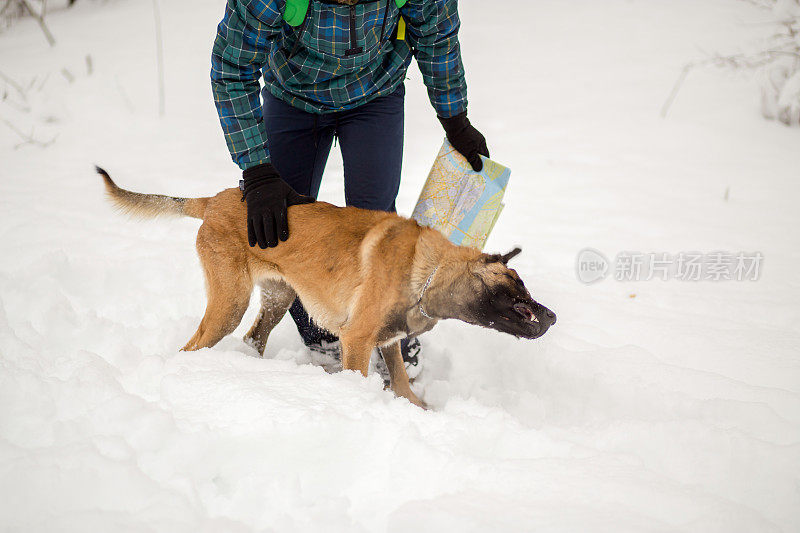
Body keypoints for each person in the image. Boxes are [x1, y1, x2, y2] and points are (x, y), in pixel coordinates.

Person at [211, 0, 489, 377]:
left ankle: (390, 329)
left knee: (381, 223)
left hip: (376, 92)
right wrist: (257, 169)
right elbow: (233, 65)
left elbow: (436, 33)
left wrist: (454, 116)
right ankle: (323, 332)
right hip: (293, 93)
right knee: (283, 227)